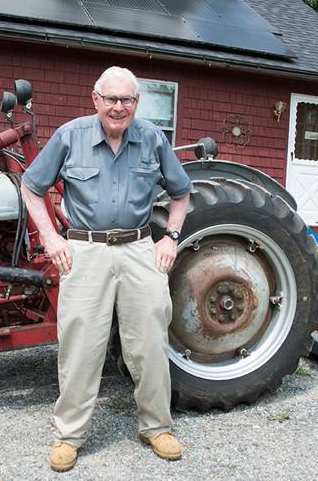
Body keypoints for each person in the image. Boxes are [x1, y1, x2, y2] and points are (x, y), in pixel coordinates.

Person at [20, 66, 193, 472]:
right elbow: (31, 187)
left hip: (138, 248)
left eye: (127, 100)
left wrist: (170, 237)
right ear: (95, 99)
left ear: (136, 103)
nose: (119, 107)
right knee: (80, 343)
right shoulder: (71, 136)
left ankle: (157, 427)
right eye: (111, 99)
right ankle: (69, 435)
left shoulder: (152, 138)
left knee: (150, 338)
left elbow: (182, 193)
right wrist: (51, 237)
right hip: (85, 249)